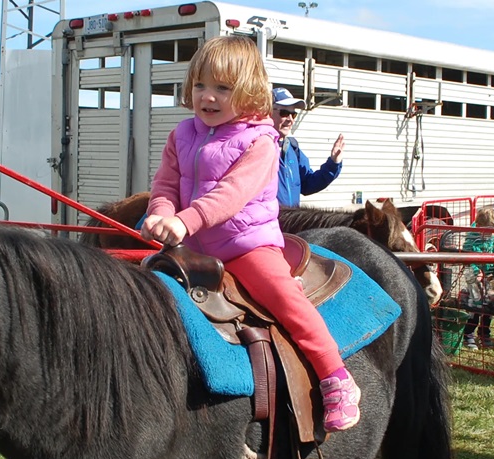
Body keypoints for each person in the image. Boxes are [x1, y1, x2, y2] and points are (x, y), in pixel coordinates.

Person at [141, 35, 361, 432]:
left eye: (222, 88)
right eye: (200, 85)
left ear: (248, 92)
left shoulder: (261, 141)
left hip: (245, 244)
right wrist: (160, 213)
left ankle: (335, 376)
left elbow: (232, 195)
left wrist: (184, 221)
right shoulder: (181, 134)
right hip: (190, 246)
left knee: (283, 297)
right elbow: (165, 184)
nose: (207, 97)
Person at [271, 87, 345, 207]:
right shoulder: (256, 148)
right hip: (266, 224)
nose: (290, 119)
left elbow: (307, 184)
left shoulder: (292, 148)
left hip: (292, 223)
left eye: (293, 114)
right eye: (284, 113)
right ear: (267, 112)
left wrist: (333, 164)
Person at [460, 207, 494, 350]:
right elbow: (466, 254)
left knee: (491, 304)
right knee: (476, 305)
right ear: (479, 227)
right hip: (475, 276)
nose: (490, 234)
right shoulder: (473, 236)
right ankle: (468, 334)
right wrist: (475, 269)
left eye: (493, 230)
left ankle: (484, 332)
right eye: (488, 230)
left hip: (491, 274)